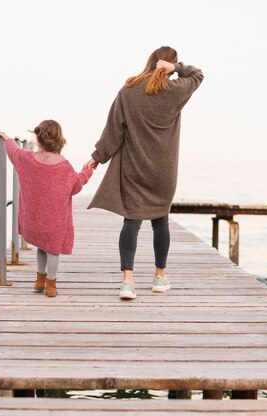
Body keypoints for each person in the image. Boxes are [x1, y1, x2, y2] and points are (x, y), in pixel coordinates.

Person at [84, 46, 204, 300]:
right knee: (161, 222)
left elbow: (113, 131)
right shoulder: (175, 91)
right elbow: (197, 75)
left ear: (149, 62)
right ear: (169, 65)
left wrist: (97, 157)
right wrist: (177, 69)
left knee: (131, 222)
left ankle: (128, 282)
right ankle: (159, 277)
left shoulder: (128, 91)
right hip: (164, 170)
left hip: (134, 166)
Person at [0, 120, 94, 297]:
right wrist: (87, 170)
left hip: (34, 218)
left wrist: (7, 139)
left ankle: (39, 280)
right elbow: (76, 185)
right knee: (52, 250)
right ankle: (51, 284)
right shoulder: (64, 166)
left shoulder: (26, 158)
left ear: (38, 138)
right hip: (54, 221)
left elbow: (13, 151)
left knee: (41, 247)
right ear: (59, 140)